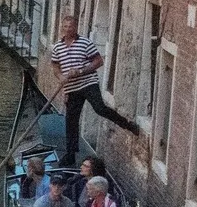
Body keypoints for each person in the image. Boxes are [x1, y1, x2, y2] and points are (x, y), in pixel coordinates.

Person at [52, 16, 140, 165]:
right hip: (71, 88)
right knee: (71, 121)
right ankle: (71, 155)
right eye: (65, 26)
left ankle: (127, 124)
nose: (68, 29)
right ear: (62, 27)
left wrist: (80, 71)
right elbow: (55, 66)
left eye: (71, 27)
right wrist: (60, 77)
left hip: (88, 83)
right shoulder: (57, 47)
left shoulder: (85, 43)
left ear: (76, 27)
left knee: (100, 108)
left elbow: (99, 61)